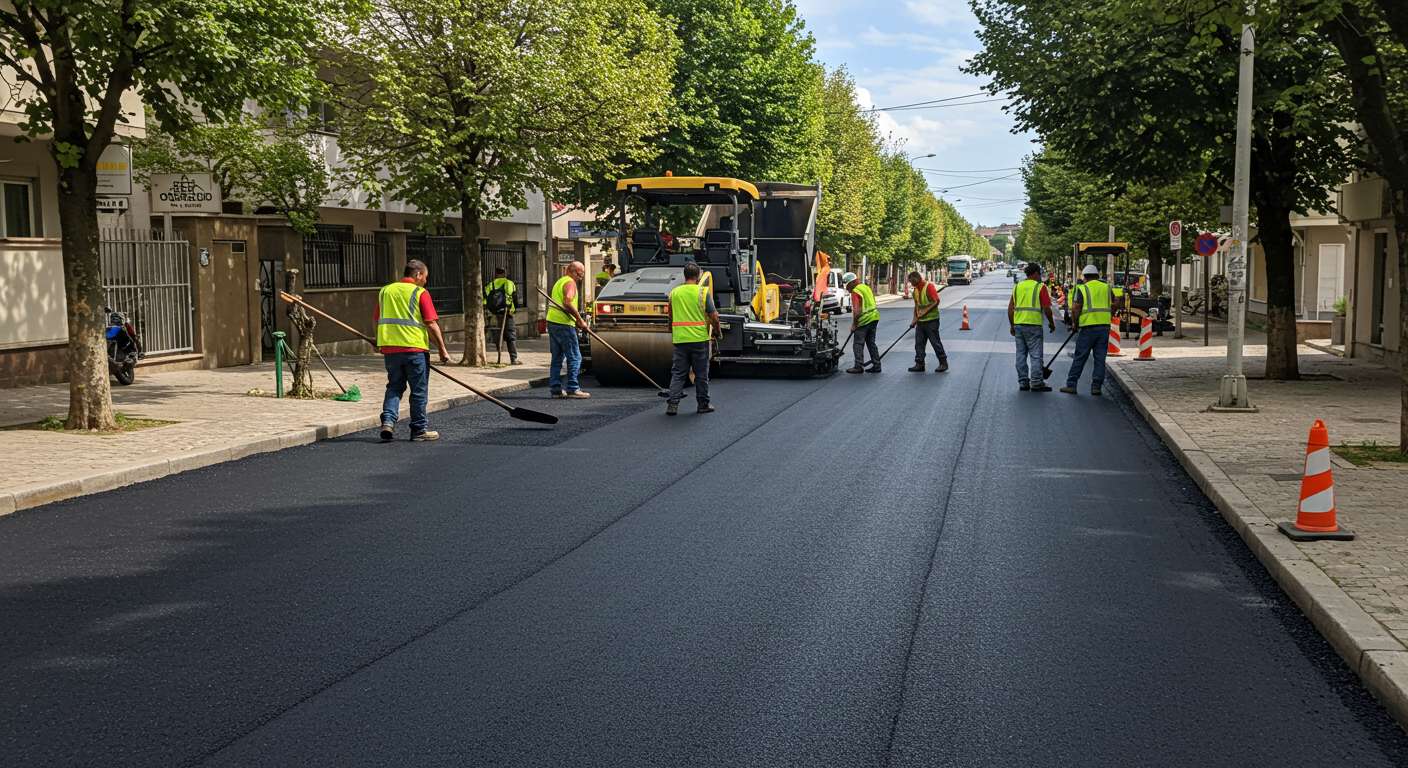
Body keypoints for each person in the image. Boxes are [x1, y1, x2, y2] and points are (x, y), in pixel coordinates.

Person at [375, 259, 451, 442]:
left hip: (391, 350)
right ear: (418, 275)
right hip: (414, 350)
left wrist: (379, 341)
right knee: (418, 391)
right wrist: (442, 349)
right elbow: (431, 324)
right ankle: (418, 430)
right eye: (425, 277)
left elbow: (378, 318)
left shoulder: (386, 291)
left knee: (394, 386)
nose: (426, 281)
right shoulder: (420, 292)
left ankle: (388, 421)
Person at [666, 261, 721, 415]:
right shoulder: (702, 292)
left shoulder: (674, 293)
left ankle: (673, 405)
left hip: (680, 340)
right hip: (699, 339)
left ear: (685, 276)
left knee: (678, 373)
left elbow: (670, 316)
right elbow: (714, 316)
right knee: (701, 374)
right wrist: (716, 331)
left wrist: (671, 330)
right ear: (698, 276)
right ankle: (703, 404)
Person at [1061, 264, 1122, 397]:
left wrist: (1075, 324)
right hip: (1104, 327)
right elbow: (1116, 302)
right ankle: (1096, 387)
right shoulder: (1106, 287)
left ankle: (1071, 385)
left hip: (1087, 328)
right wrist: (1110, 313)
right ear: (1097, 276)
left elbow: (1076, 307)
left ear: (1085, 277)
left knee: (1080, 356)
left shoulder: (1082, 288)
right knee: (1100, 358)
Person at [1008, 262, 1057, 392]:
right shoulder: (1040, 287)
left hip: (1019, 326)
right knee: (1036, 355)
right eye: (1039, 273)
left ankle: (1023, 382)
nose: (1040, 276)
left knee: (1021, 354)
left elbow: (1010, 308)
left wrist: (1012, 325)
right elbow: (1047, 308)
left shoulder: (1018, 287)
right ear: (1035, 273)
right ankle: (1036, 382)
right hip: (1034, 326)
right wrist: (1051, 323)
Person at [547, 261, 591, 399]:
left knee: (557, 357)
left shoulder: (559, 282)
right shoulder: (570, 283)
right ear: (573, 271)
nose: (581, 277)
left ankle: (555, 389)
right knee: (575, 357)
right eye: (581, 274)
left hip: (553, 322)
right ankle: (573, 388)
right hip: (564, 324)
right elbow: (567, 302)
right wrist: (579, 320)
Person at [908, 271, 949, 373]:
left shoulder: (929, 287)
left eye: (911, 281)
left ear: (915, 279)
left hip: (932, 321)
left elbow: (936, 301)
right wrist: (914, 319)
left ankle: (943, 363)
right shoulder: (915, 291)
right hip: (920, 322)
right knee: (919, 344)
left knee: (935, 342)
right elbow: (917, 306)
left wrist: (925, 312)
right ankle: (919, 364)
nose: (910, 283)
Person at [844, 272, 881, 374]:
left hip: (864, 320)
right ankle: (877, 365)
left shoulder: (856, 291)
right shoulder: (866, 287)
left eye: (847, 286)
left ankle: (858, 366)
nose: (847, 289)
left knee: (858, 343)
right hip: (874, 317)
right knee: (871, 343)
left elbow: (857, 311)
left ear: (852, 283)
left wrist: (854, 324)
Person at [483, 267, 519, 365]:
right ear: (504, 273)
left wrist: (490, 311)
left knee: (498, 335)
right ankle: (513, 359)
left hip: (495, 314)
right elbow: (515, 298)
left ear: (496, 274)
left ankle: (499, 355)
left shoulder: (490, 285)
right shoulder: (509, 283)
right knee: (511, 336)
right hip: (507, 313)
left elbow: (485, 300)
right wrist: (514, 310)